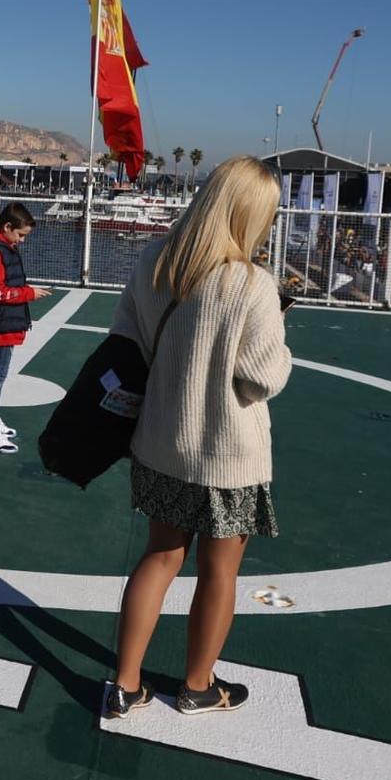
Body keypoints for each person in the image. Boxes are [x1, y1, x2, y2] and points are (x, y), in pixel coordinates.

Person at [101, 155, 292, 718]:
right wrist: (283, 343)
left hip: (161, 442)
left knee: (159, 558)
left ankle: (125, 684)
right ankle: (198, 685)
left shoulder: (154, 260)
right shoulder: (252, 284)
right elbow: (261, 376)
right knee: (219, 572)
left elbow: (125, 338)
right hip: (229, 457)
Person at [0, 202, 52, 452]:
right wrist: (28, 293)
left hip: (4, 319)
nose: (22, 240)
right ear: (7, 226)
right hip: (0, 320)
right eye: (20, 234)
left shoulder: (4, 247)